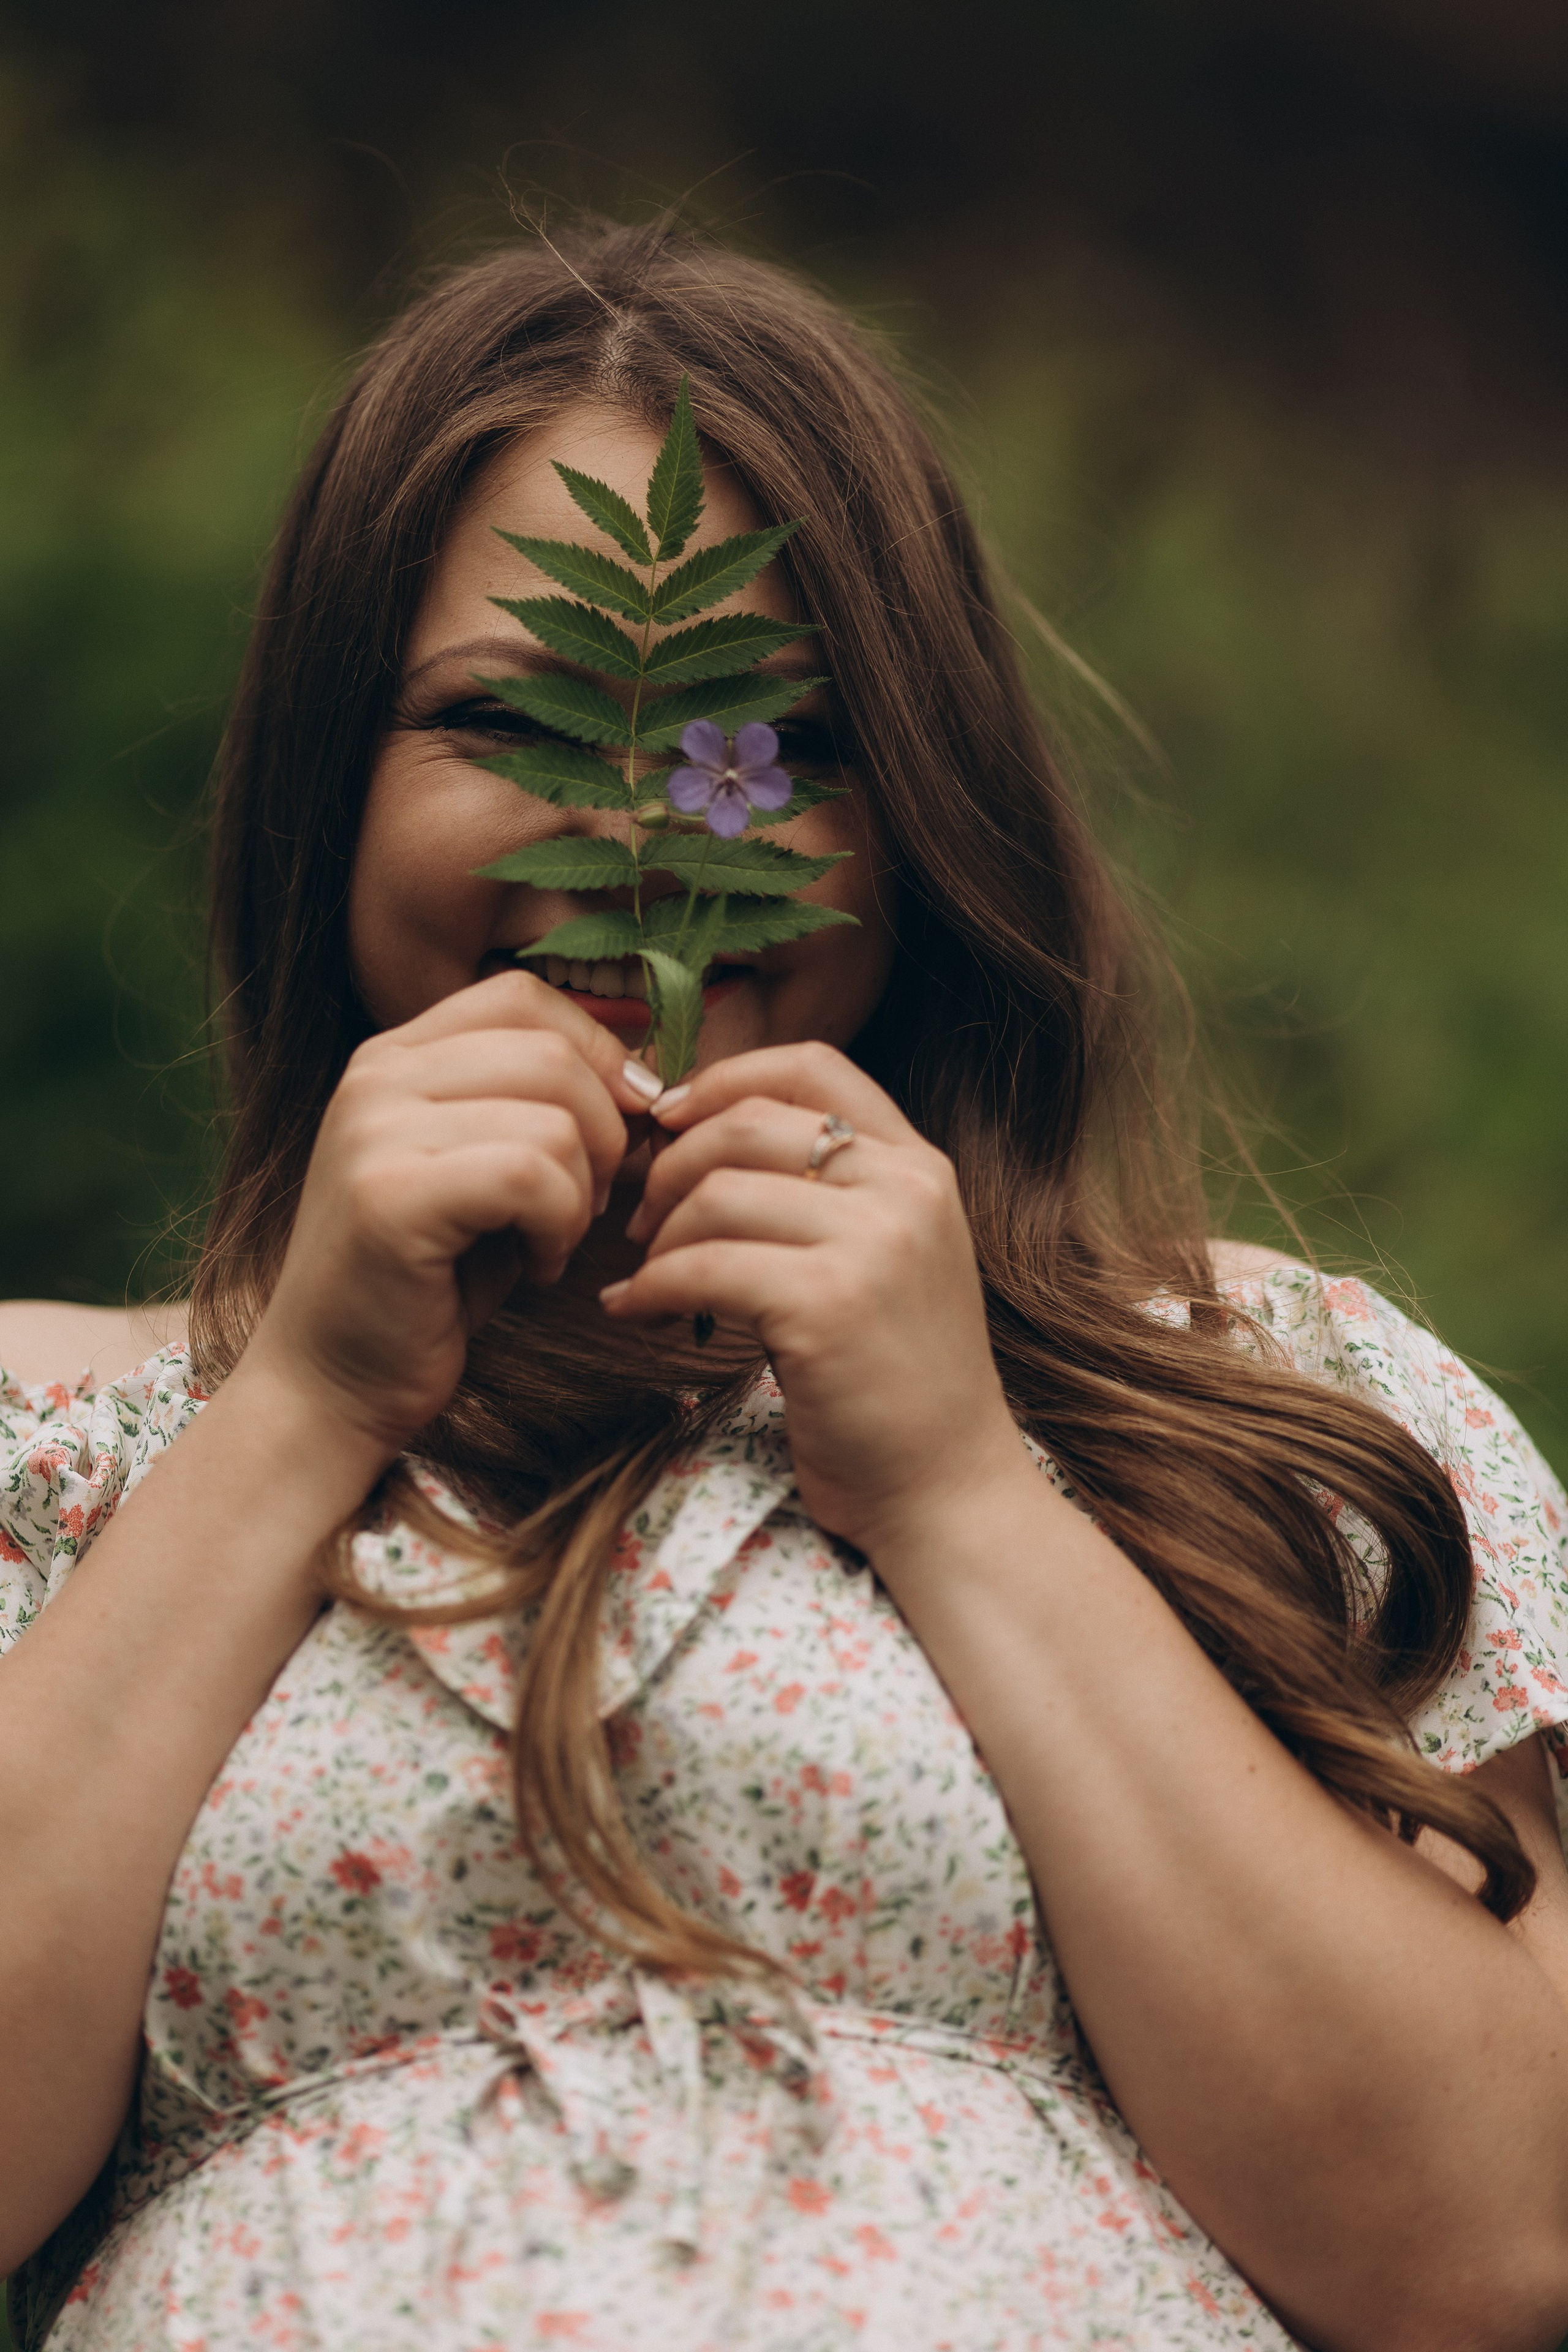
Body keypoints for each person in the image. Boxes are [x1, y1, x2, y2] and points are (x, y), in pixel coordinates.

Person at [3, 219, 1567, 2352]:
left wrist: (962, 1486)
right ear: (323, 790)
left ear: (922, 814)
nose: (645, 842)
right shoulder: (55, 1441)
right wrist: (301, 1408)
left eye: (777, 746)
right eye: (508, 716)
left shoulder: (1262, 1387)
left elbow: (1491, 2247)